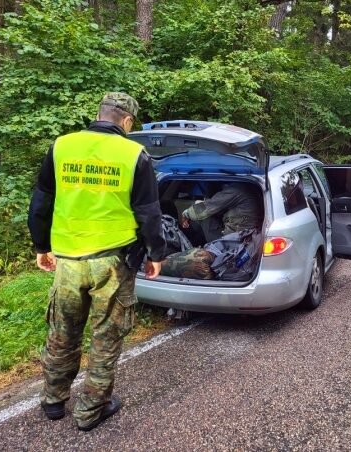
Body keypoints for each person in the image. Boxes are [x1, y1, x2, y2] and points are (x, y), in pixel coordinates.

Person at [27, 92, 166, 431]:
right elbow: (148, 213)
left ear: (100, 113)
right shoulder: (135, 154)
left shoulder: (61, 146)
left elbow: (41, 201)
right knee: (106, 338)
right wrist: (156, 253)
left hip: (68, 260)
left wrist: (41, 245)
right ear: (127, 121)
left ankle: (54, 402)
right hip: (112, 263)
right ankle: (90, 411)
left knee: (62, 333)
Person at [180, 182, 262, 243]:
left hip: (232, 241)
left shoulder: (236, 190)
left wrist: (186, 214)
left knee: (202, 217)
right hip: (248, 237)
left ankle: (188, 242)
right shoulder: (249, 188)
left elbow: (207, 208)